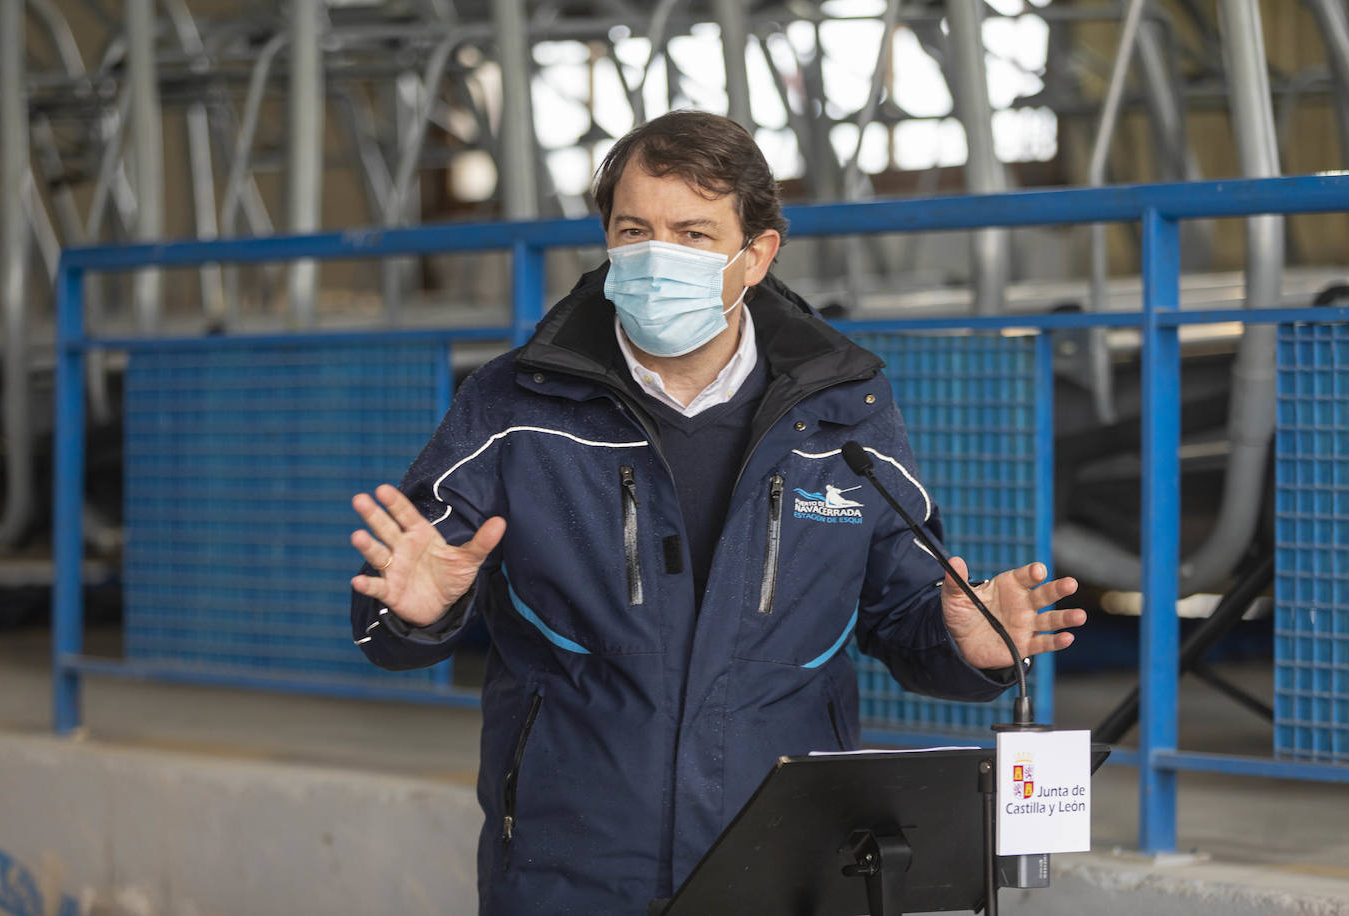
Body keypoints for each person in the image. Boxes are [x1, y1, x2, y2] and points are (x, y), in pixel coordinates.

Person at [349, 109, 1086, 914]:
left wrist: (961, 641)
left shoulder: (842, 411)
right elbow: (393, 613)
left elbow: (900, 609)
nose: (656, 255)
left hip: (786, 863)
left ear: (755, 256)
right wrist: (416, 616)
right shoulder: (515, 405)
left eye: (693, 234)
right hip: (573, 868)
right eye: (634, 229)